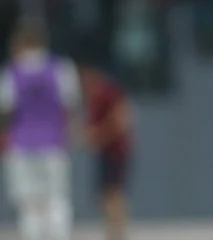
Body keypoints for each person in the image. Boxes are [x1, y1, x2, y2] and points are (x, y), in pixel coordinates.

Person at [0, 21, 81, 240]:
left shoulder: (12, 72)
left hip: (22, 143)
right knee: (57, 199)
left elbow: (6, 111)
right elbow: (71, 105)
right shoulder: (62, 68)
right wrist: (71, 132)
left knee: (29, 205)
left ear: (22, 43)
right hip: (53, 142)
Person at [78, 63, 133, 240]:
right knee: (105, 192)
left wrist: (100, 136)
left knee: (113, 191)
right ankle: (113, 230)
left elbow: (122, 118)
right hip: (105, 150)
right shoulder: (93, 97)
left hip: (115, 150)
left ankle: (117, 232)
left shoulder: (108, 92)